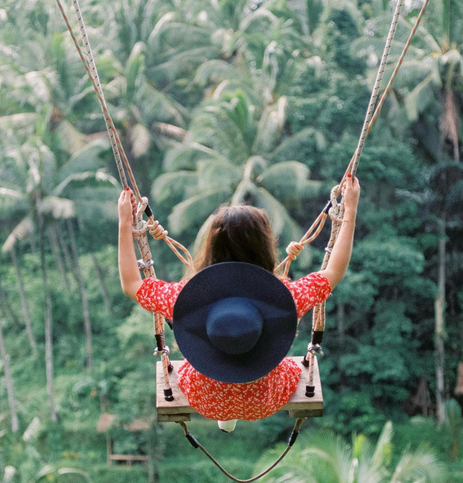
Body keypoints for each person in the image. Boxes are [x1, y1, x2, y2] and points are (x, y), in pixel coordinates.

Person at [118, 174, 360, 432]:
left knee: (195, 362)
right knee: (292, 365)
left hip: (205, 400)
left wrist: (124, 222)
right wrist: (351, 208)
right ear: (265, 246)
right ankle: (234, 393)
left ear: (210, 245)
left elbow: (131, 284)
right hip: (264, 402)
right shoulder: (285, 297)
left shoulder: (184, 296)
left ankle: (225, 405)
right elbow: (334, 272)